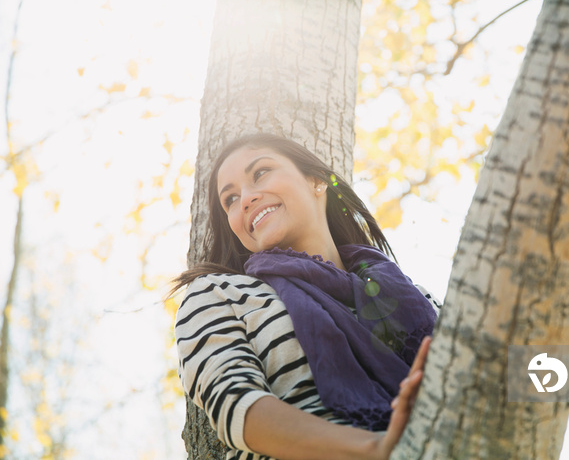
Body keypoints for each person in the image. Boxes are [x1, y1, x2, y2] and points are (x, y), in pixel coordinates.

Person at [172, 133, 441, 460]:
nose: (244, 199)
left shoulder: (416, 295)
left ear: (316, 180)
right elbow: (238, 410)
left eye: (260, 173)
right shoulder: (216, 294)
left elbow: (498, 372)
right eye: (230, 199)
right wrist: (377, 449)